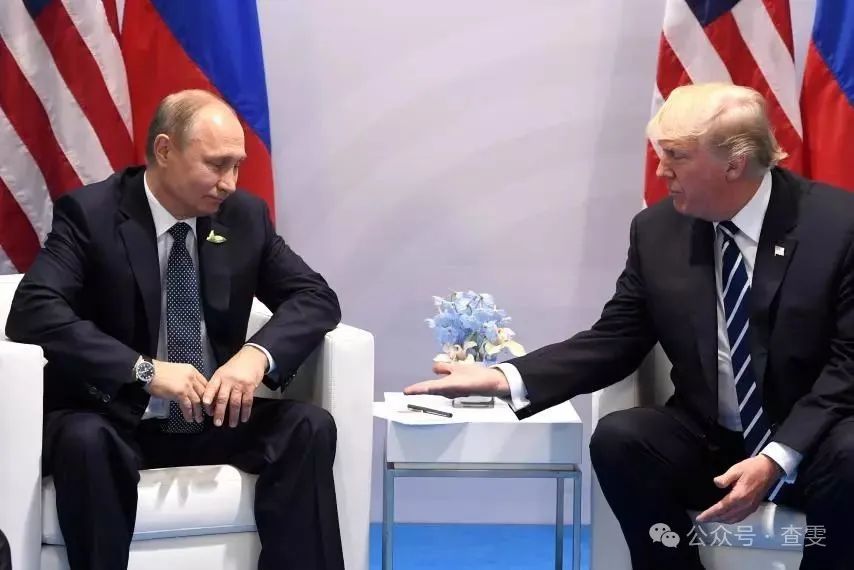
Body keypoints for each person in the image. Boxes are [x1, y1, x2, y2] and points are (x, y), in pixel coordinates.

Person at [405, 83, 854, 569]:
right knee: (622, 438)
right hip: (712, 441)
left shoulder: (838, 226)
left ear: (734, 163)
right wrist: (505, 377)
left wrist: (776, 457)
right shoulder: (658, 230)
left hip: (813, 444)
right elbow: (617, 337)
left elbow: (848, 364)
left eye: (676, 156)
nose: (661, 171)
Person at [5, 89, 344, 570]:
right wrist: (144, 370)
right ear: (165, 150)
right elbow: (33, 310)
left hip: (210, 417)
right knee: (84, 439)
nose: (229, 183)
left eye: (237, 166)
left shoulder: (243, 217)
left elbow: (315, 297)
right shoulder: (92, 215)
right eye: (216, 165)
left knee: (308, 426)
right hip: (113, 416)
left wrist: (256, 357)